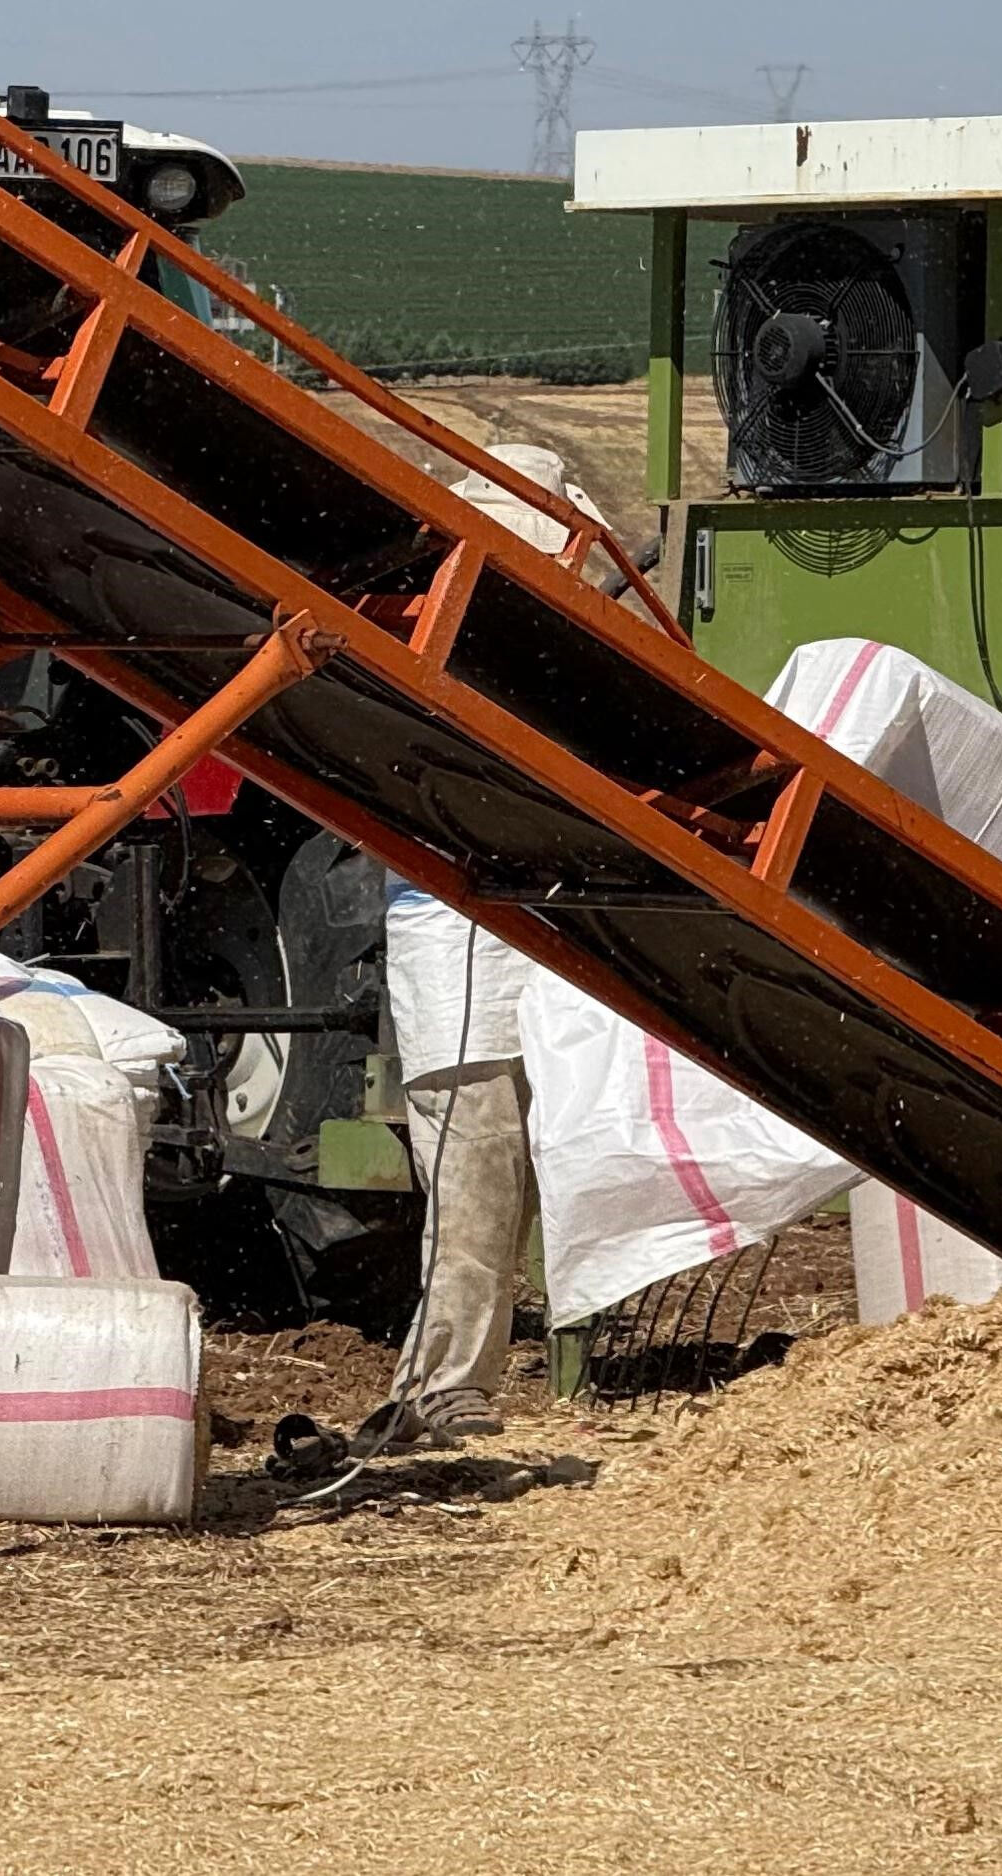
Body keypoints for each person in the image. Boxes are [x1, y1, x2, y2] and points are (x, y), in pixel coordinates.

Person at [358, 445, 615, 1453]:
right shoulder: (431, 657)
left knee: (579, 1164)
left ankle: (576, 1364)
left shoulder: (565, 661)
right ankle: (442, 1384)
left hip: (559, 950)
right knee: (476, 1189)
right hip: (463, 954)